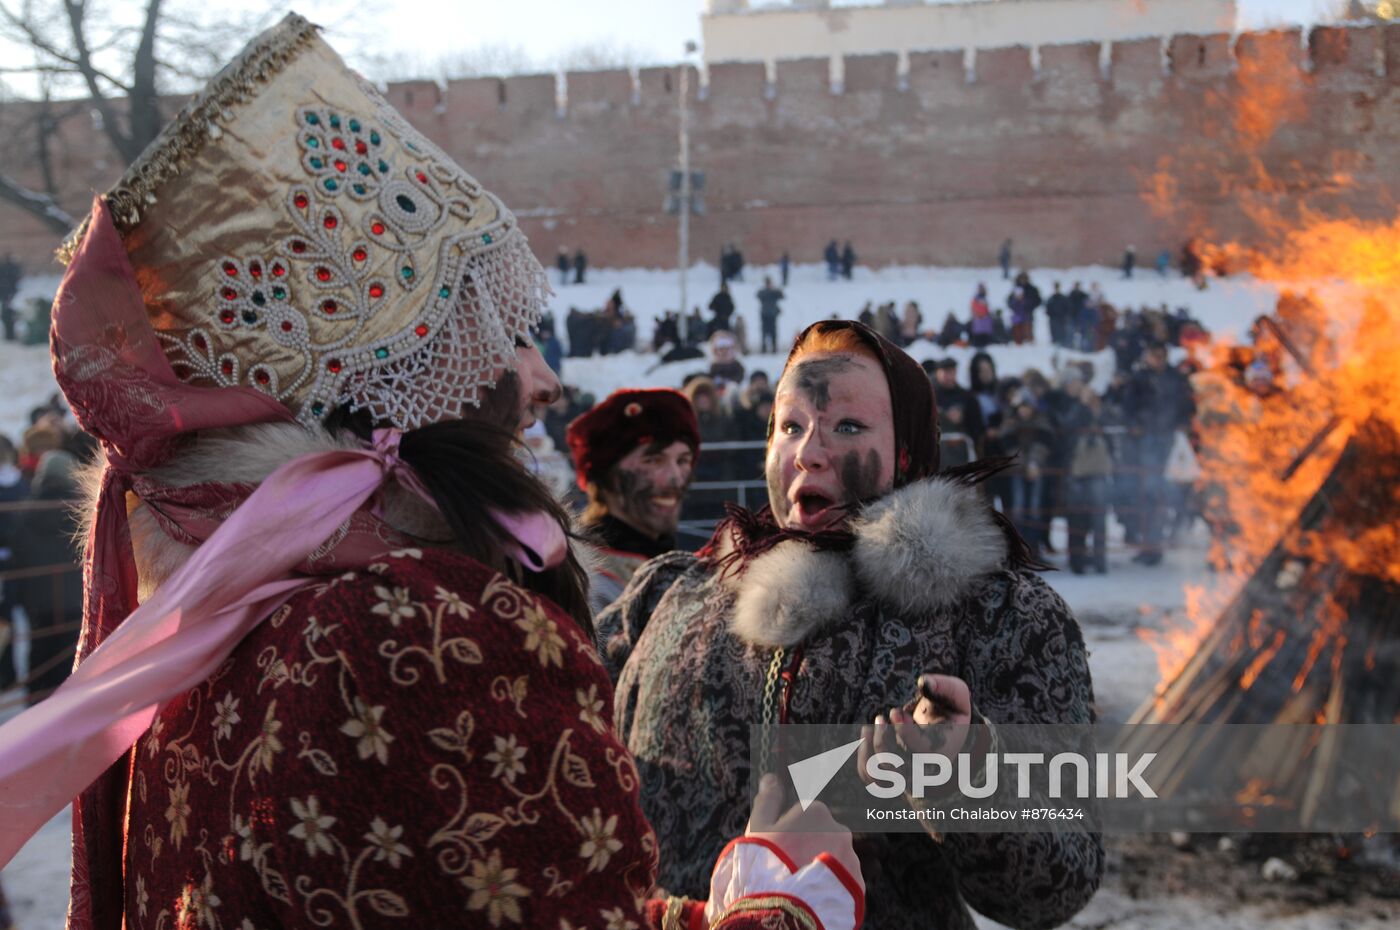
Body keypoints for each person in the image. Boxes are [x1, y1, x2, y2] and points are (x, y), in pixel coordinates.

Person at [0, 18, 865, 930]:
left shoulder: (234, 620)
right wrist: (785, 903)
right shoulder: (412, 629)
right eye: (497, 335)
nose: (540, 380)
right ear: (400, 381)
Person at [599, 320, 1101, 929]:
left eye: (848, 427)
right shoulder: (669, 595)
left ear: (907, 449)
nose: (809, 451)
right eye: (790, 427)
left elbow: (1057, 884)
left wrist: (965, 777)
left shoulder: (997, 616)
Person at [567, 389, 699, 614]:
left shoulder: (683, 564)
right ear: (607, 476)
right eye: (654, 460)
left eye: (683, 460)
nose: (675, 477)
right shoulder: (586, 579)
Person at [6, 450, 83, 704]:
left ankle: (37, 710)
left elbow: (17, 559)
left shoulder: (26, 511)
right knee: (73, 661)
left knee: (41, 657)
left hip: (38, 605)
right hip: (76, 601)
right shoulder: (82, 511)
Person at [1125, 342, 1196, 565]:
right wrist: (1134, 423)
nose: (1157, 359)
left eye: (1161, 355)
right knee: (1148, 494)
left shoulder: (1176, 378)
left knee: (1169, 493)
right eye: (1154, 355)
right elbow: (1128, 405)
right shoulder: (1139, 378)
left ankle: (1166, 541)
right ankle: (1149, 545)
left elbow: (1188, 405)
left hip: (1170, 440)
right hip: (1147, 439)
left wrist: (1184, 423)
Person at [756, 276, 784, 354]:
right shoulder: (763, 292)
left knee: (773, 331)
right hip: (765, 314)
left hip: (772, 314)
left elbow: (782, 296)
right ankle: (764, 347)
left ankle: (774, 347)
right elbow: (758, 295)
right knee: (764, 331)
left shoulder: (774, 292)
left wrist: (775, 289)